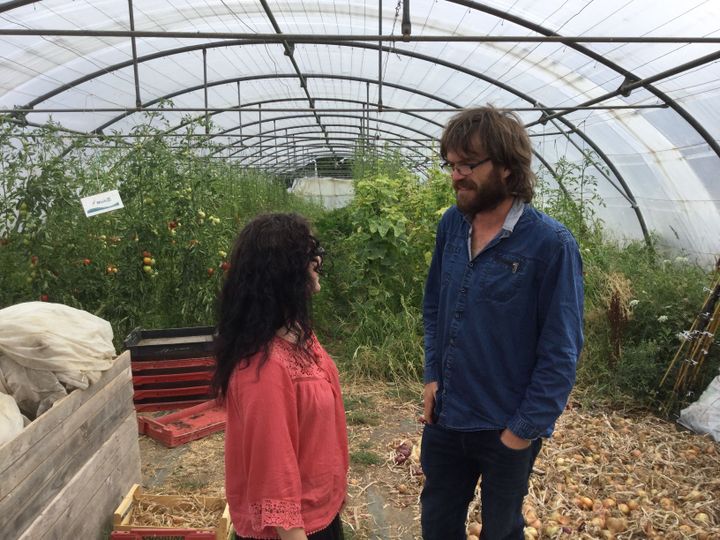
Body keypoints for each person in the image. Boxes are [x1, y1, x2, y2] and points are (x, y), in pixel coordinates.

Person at [420, 106, 584, 540]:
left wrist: (521, 432)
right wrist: (432, 376)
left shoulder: (551, 245)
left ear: (509, 169)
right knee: (437, 523)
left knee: (501, 530)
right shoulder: (452, 225)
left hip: (504, 427)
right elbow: (435, 305)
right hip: (447, 416)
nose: (456, 176)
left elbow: (561, 351)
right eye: (451, 165)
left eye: (468, 165)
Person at [212, 213, 348, 540]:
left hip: (320, 515)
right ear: (283, 271)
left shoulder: (296, 334)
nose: (317, 260)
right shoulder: (264, 369)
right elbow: (274, 477)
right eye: (308, 254)